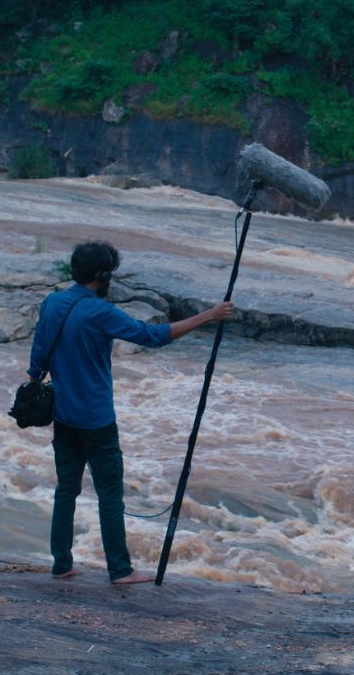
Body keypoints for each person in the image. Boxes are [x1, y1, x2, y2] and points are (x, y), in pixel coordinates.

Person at [28, 241, 234, 585]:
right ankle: (120, 569)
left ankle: (61, 563)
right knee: (110, 494)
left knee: (66, 490)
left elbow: (36, 361)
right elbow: (151, 336)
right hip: (95, 419)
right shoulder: (99, 312)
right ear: (101, 275)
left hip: (62, 414)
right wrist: (208, 316)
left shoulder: (52, 303)